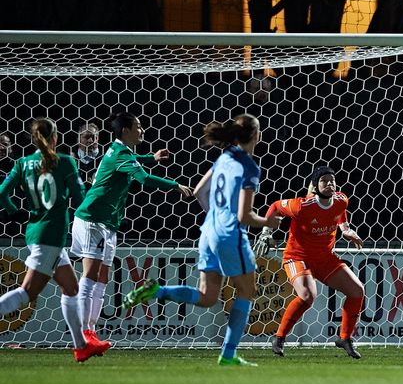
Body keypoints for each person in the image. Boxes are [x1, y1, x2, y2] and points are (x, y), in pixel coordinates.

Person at [121, 114, 281, 367]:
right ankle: (228, 354)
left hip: (208, 233)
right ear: (255, 136)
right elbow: (244, 215)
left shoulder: (223, 158)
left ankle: (156, 290)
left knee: (208, 297)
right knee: (248, 290)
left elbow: (198, 192)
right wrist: (268, 223)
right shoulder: (249, 166)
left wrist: (216, 219)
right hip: (229, 235)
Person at [70, 112, 194, 348]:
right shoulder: (119, 153)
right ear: (125, 130)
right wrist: (175, 185)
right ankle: (83, 334)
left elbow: (134, 161)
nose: (142, 130)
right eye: (138, 126)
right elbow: (144, 179)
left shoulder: (120, 152)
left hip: (107, 222)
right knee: (90, 276)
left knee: (102, 278)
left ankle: (92, 332)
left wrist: (151, 157)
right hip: (92, 219)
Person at [0, 118, 109, 362]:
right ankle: (81, 345)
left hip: (36, 232)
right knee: (26, 292)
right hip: (50, 236)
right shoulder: (66, 162)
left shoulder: (22, 163)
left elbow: (1, 193)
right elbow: (82, 198)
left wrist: (14, 211)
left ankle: (81, 346)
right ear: (55, 138)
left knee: (71, 289)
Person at [267, 166, 365, 359]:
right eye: (324, 180)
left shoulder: (341, 200)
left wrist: (345, 229)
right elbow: (276, 206)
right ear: (315, 186)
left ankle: (345, 338)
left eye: (332, 180)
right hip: (297, 257)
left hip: (324, 258)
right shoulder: (302, 205)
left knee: (357, 291)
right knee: (307, 296)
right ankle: (279, 337)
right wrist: (266, 232)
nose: (329, 184)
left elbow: (341, 213)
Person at [70, 122, 102, 188]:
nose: (91, 140)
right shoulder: (71, 160)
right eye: (86, 137)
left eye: (94, 137)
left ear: (98, 139)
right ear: (78, 139)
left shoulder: (104, 161)